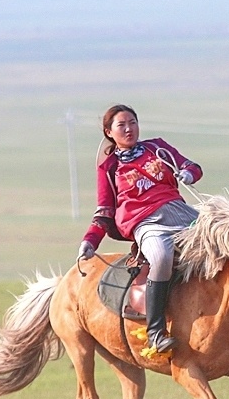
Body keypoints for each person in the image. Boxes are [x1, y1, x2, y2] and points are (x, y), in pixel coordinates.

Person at [78, 104, 202, 354]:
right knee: (162, 257)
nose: (128, 129)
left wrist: (187, 174)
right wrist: (90, 241)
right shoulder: (109, 167)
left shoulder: (157, 148)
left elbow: (192, 167)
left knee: (227, 239)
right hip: (146, 223)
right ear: (109, 132)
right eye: (121, 125)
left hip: (178, 211)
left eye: (132, 122)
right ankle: (156, 332)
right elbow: (104, 210)